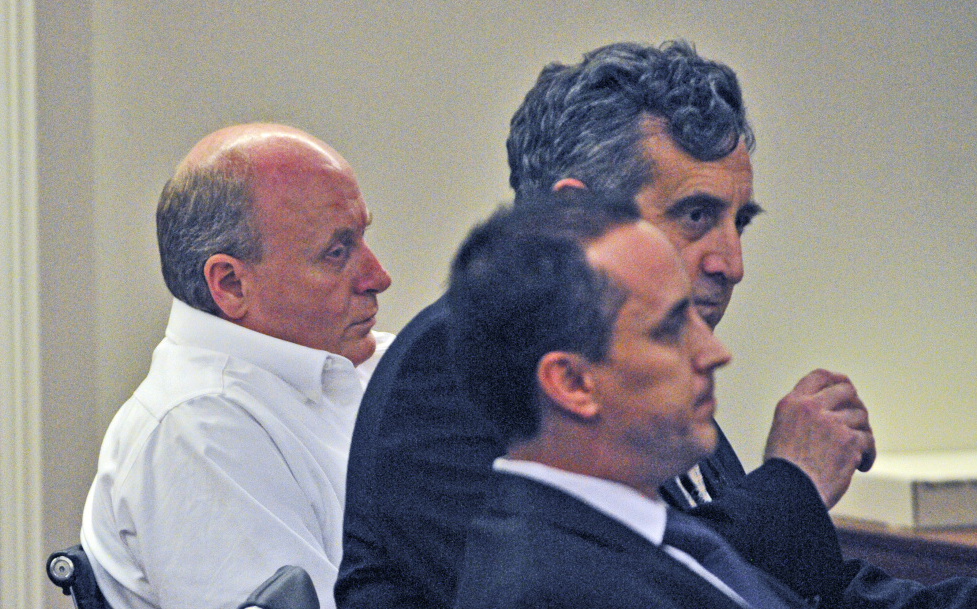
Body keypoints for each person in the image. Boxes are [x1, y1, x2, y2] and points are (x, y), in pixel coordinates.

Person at [339, 40, 977, 609]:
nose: (731, 263)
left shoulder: (644, 360)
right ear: (578, 212)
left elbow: (783, 590)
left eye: (739, 222)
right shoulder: (456, 365)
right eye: (696, 216)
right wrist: (793, 484)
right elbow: (607, 583)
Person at [81, 123, 393, 609]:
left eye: (363, 238)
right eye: (338, 252)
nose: (378, 276)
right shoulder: (196, 431)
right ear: (230, 284)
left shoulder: (374, 362)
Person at [448, 191, 808, 609]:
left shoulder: (640, 529)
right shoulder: (550, 593)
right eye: (670, 329)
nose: (714, 352)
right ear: (573, 382)